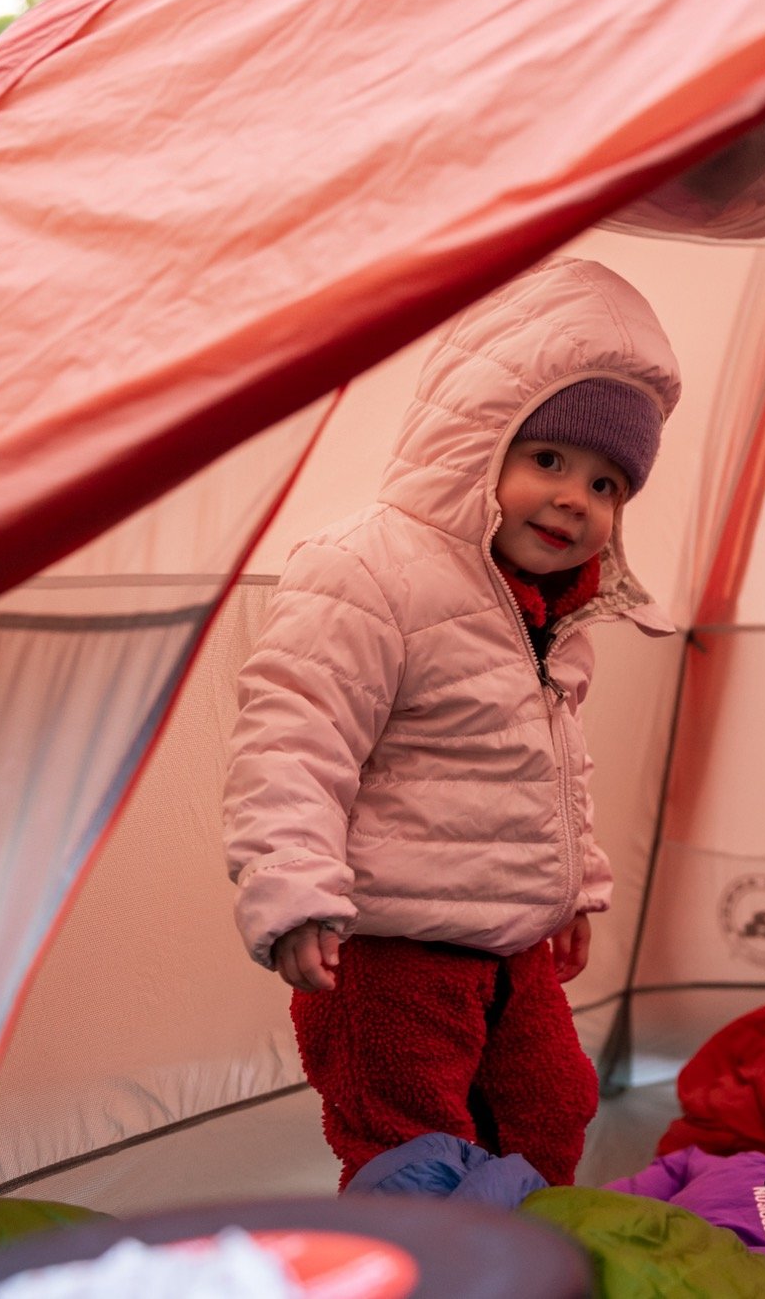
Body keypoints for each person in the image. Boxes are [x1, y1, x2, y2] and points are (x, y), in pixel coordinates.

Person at [222, 255, 680, 1188]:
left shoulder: (553, 608)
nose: (573, 499)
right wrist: (294, 884)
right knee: (414, 1148)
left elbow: (554, 763)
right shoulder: (366, 568)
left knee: (553, 1113)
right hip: (391, 952)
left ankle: (517, 1268)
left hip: (512, 949)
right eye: (547, 458)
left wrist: (574, 887)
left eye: (606, 485)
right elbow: (294, 742)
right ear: (478, 444)